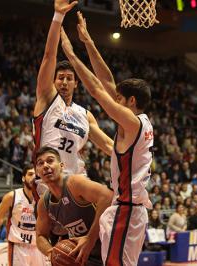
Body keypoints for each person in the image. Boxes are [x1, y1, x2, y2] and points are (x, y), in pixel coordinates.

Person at [60, 21, 154, 265]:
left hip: (126, 209)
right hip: (128, 209)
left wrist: (71, 54)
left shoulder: (133, 123)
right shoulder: (138, 124)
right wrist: (88, 42)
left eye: (120, 98)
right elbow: (107, 81)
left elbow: (97, 90)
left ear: (131, 101)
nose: (115, 99)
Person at [32, 0, 113, 198]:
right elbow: (49, 56)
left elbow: (109, 146)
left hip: (77, 180)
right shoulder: (46, 98)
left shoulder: (85, 115)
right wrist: (58, 17)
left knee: (105, 202)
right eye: (61, 78)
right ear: (53, 81)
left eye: (70, 78)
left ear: (76, 83)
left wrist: (137, 153)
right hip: (49, 181)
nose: (65, 82)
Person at [35, 146, 113, 265]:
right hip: (86, 255)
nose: (45, 165)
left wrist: (89, 239)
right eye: (40, 163)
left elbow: (107, 197)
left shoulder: (74, 183)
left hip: (110, 247)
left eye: (50, 161)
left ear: (61, 166)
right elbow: (40, 235)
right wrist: (52, 252)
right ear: (37, 171)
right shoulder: (44, 203)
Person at [0, 165, 48, 266]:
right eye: (30, 174)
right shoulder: (12, 196)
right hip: (18, 247)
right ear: (23, 178)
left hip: (39, 247)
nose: (33, 177)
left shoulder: (44, 197)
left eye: (35, 175)